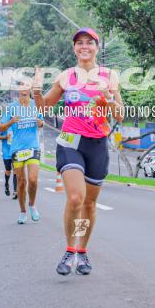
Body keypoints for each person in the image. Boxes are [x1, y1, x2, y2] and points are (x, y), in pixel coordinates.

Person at [32, 28, 124, 275]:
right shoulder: (66, 77)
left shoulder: (109, 76)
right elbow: (45, 107)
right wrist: (37, 91)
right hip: (70, 140)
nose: (84, 47)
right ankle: (69, 250)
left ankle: (82, 251)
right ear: (74, 48)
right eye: (79, 43)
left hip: (97, 144)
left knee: (90, 205)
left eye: (89, 43)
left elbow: (120, 114)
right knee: (75, 198)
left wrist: (109, 101)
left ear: (97, 47)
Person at [0, 84, 44, 224]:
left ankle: (32, 205)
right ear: (18, 89)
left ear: (30, 88)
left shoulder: (36, 105)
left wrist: (40, 122)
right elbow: (0, 128)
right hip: (17, 149)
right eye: (21, 85)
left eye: (26, 85)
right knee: (21, 181)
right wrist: (11, 122)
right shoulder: (11, 107)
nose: (24, 88)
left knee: (33, 179)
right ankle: (23, 211)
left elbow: (41, 123)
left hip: (33, 147)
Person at [0, 127, 15, 196]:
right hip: (6, 152)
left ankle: (15, 190)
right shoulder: (4, 126)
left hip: (16, 151)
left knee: (16, 171)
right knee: (8, 171)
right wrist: (5, 137)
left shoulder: (17, 124)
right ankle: (6, 183)